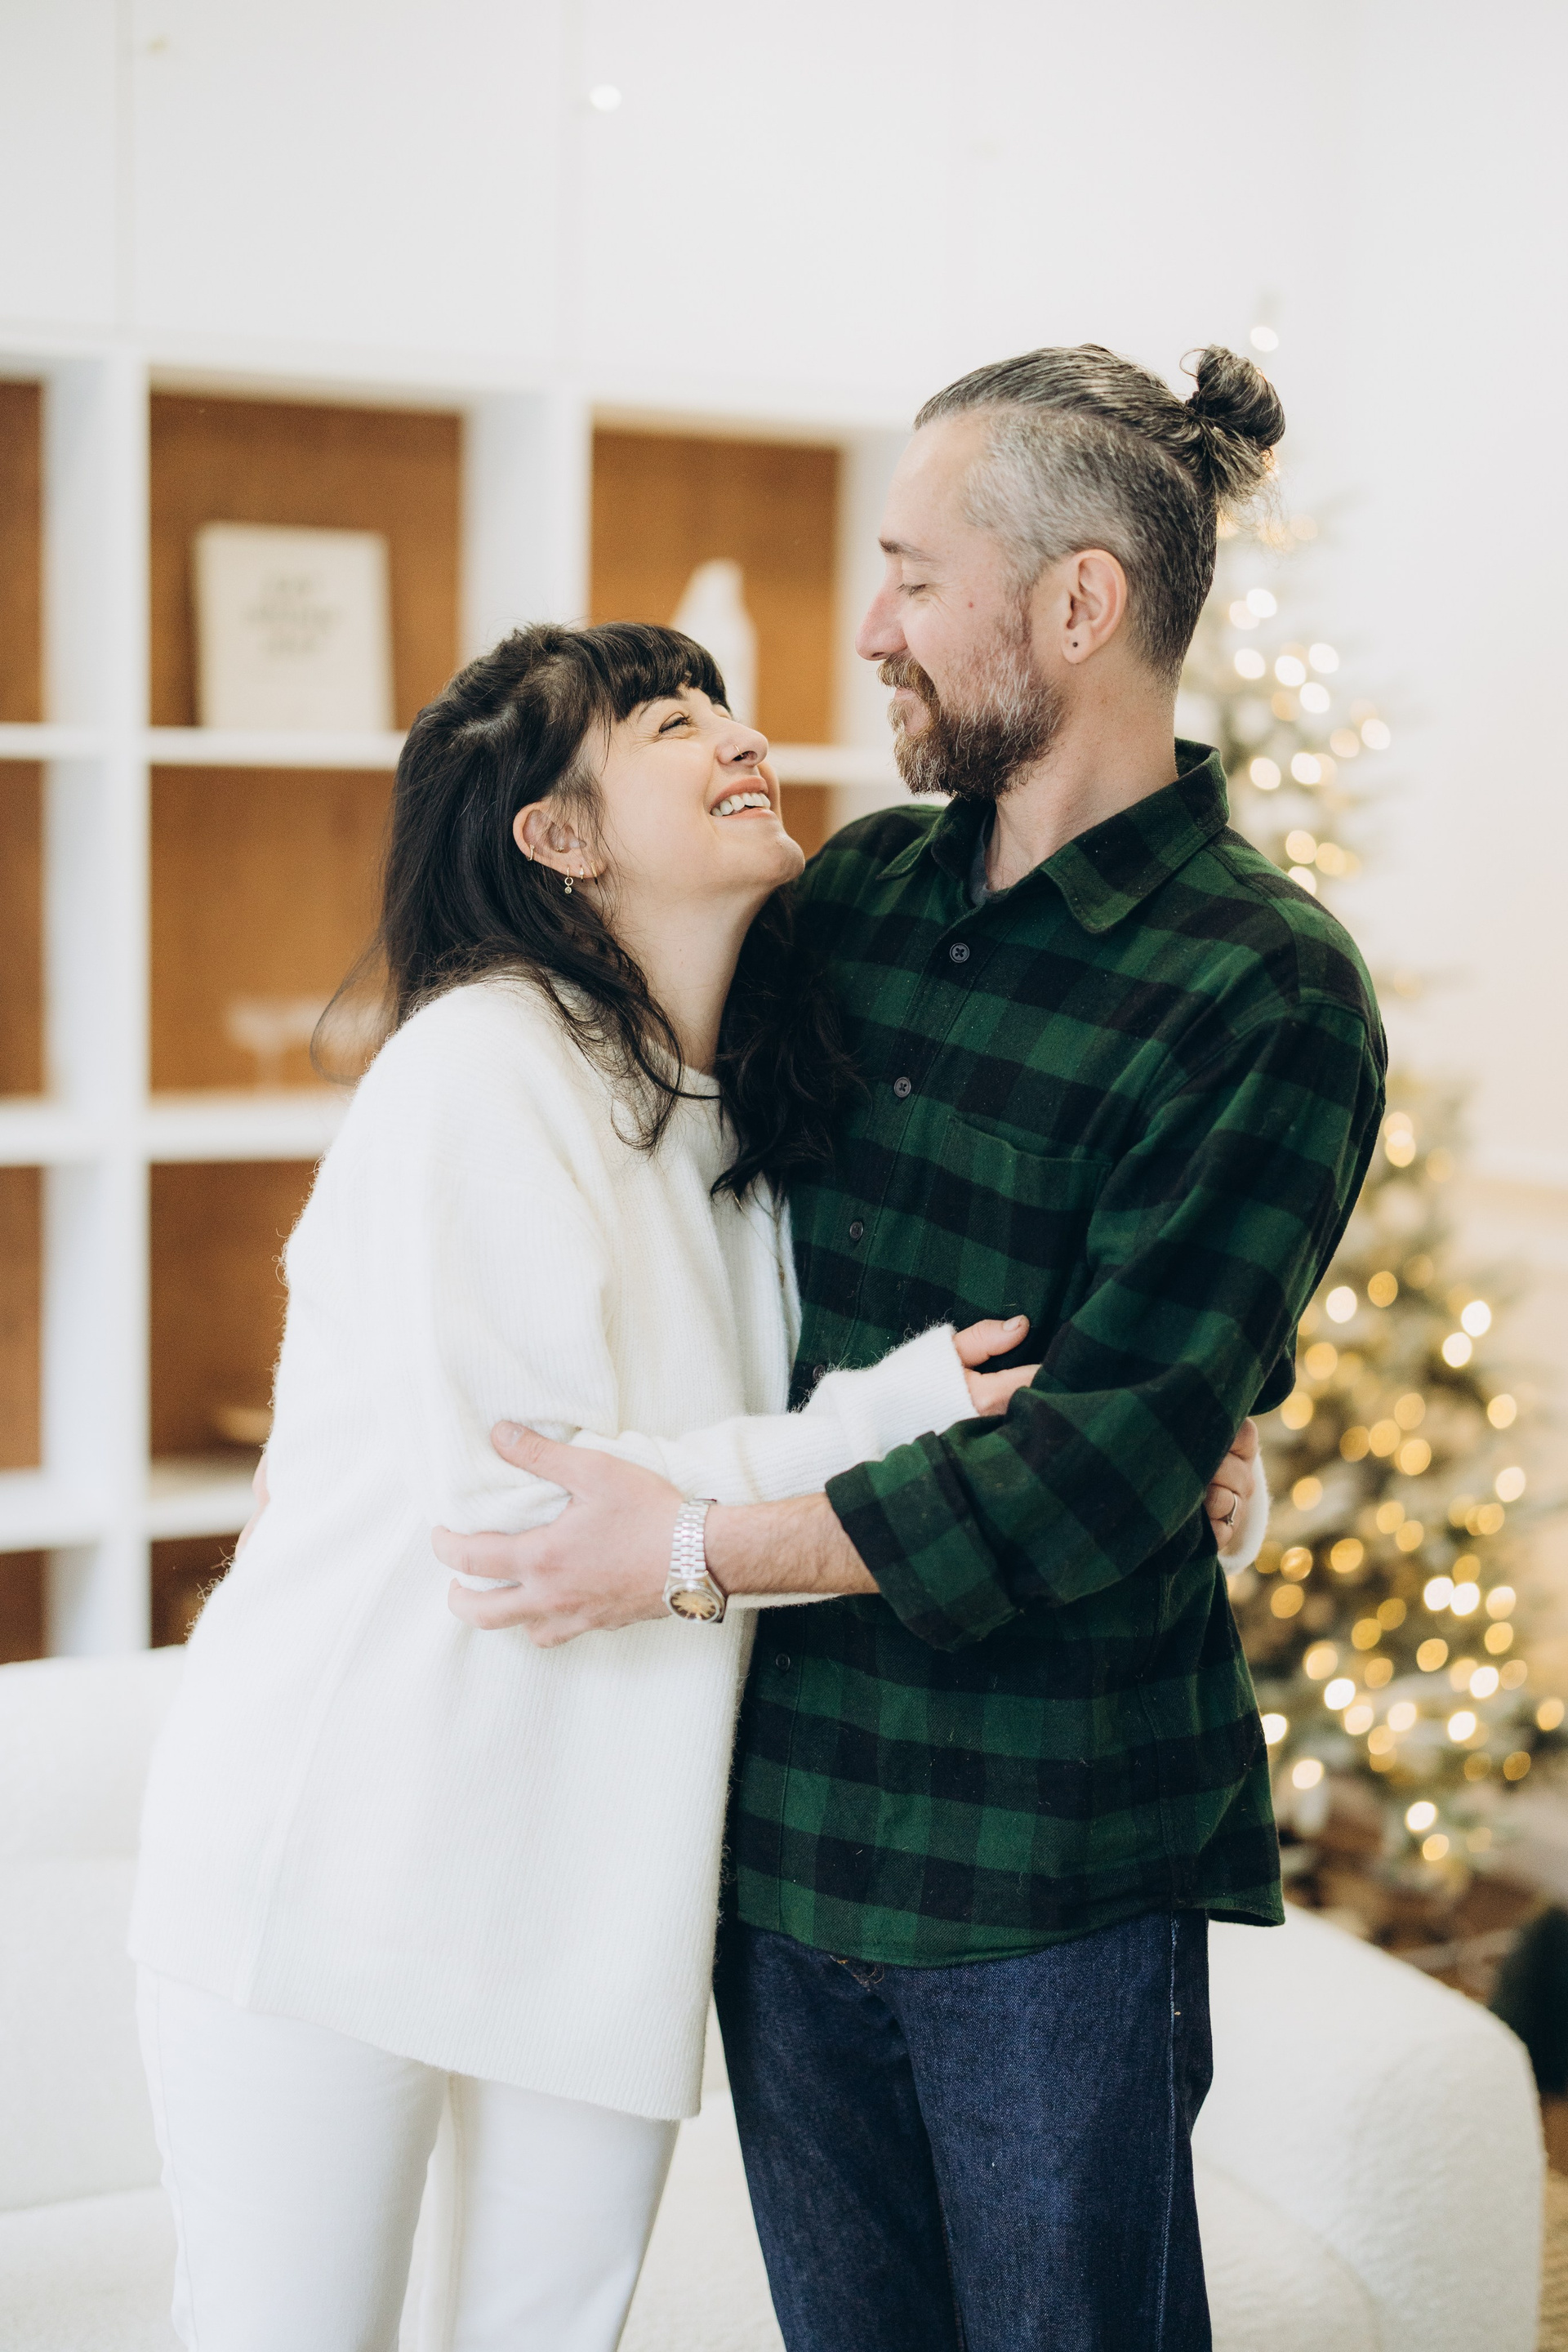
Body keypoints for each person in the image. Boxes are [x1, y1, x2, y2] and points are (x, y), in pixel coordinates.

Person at [131, 617, 1267, 2352]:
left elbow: (893, 1388)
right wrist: (897, 1414)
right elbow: (530, 1515)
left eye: (722, 703)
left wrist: (1171, 1436)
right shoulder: (477, 1065)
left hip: (601, 1883)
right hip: (332, 1848)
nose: (737, 736)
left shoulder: (736, 1114)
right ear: (559, 836)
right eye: (668, 723)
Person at [437, 344, 1387, 2352]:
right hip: (782, 1837)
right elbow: (665, 1167)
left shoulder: (1267, 986)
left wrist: (685, 1550)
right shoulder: (855, 894)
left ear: (1078, 604)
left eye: (913, 576)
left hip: (1050, 1865)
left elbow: (1098, 1464)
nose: (869, 630)